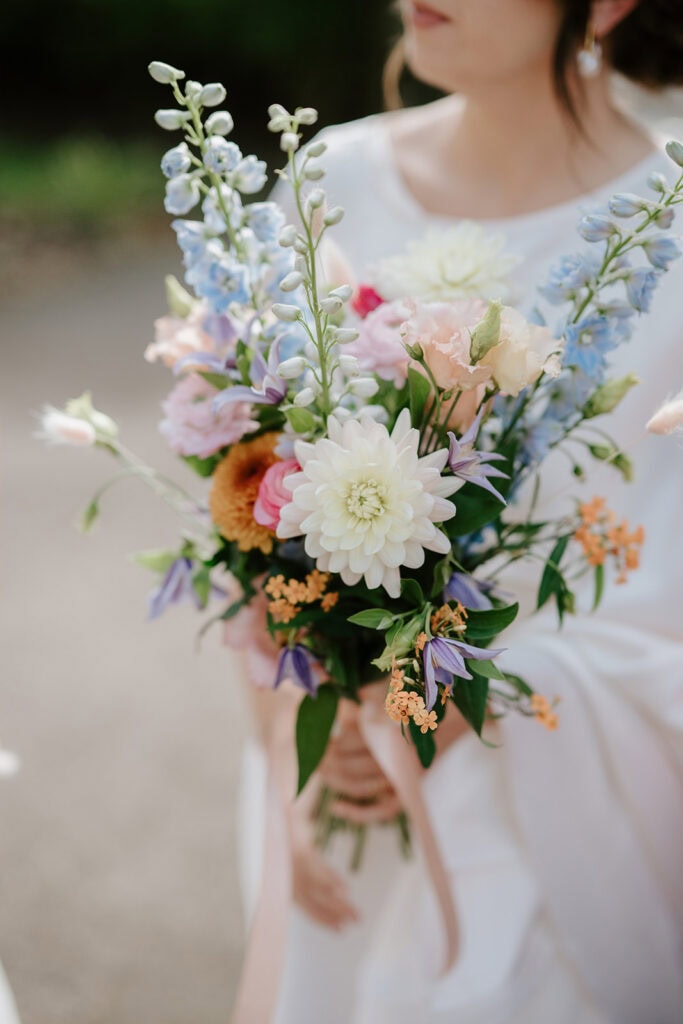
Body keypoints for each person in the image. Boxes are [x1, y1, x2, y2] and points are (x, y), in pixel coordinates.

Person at [235, 1, 683, 1021]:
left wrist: (465, 699)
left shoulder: (668, 225)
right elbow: (250, 497)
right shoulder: (326, 183)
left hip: (561, 809)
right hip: (342, 768)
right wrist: (295, 731)